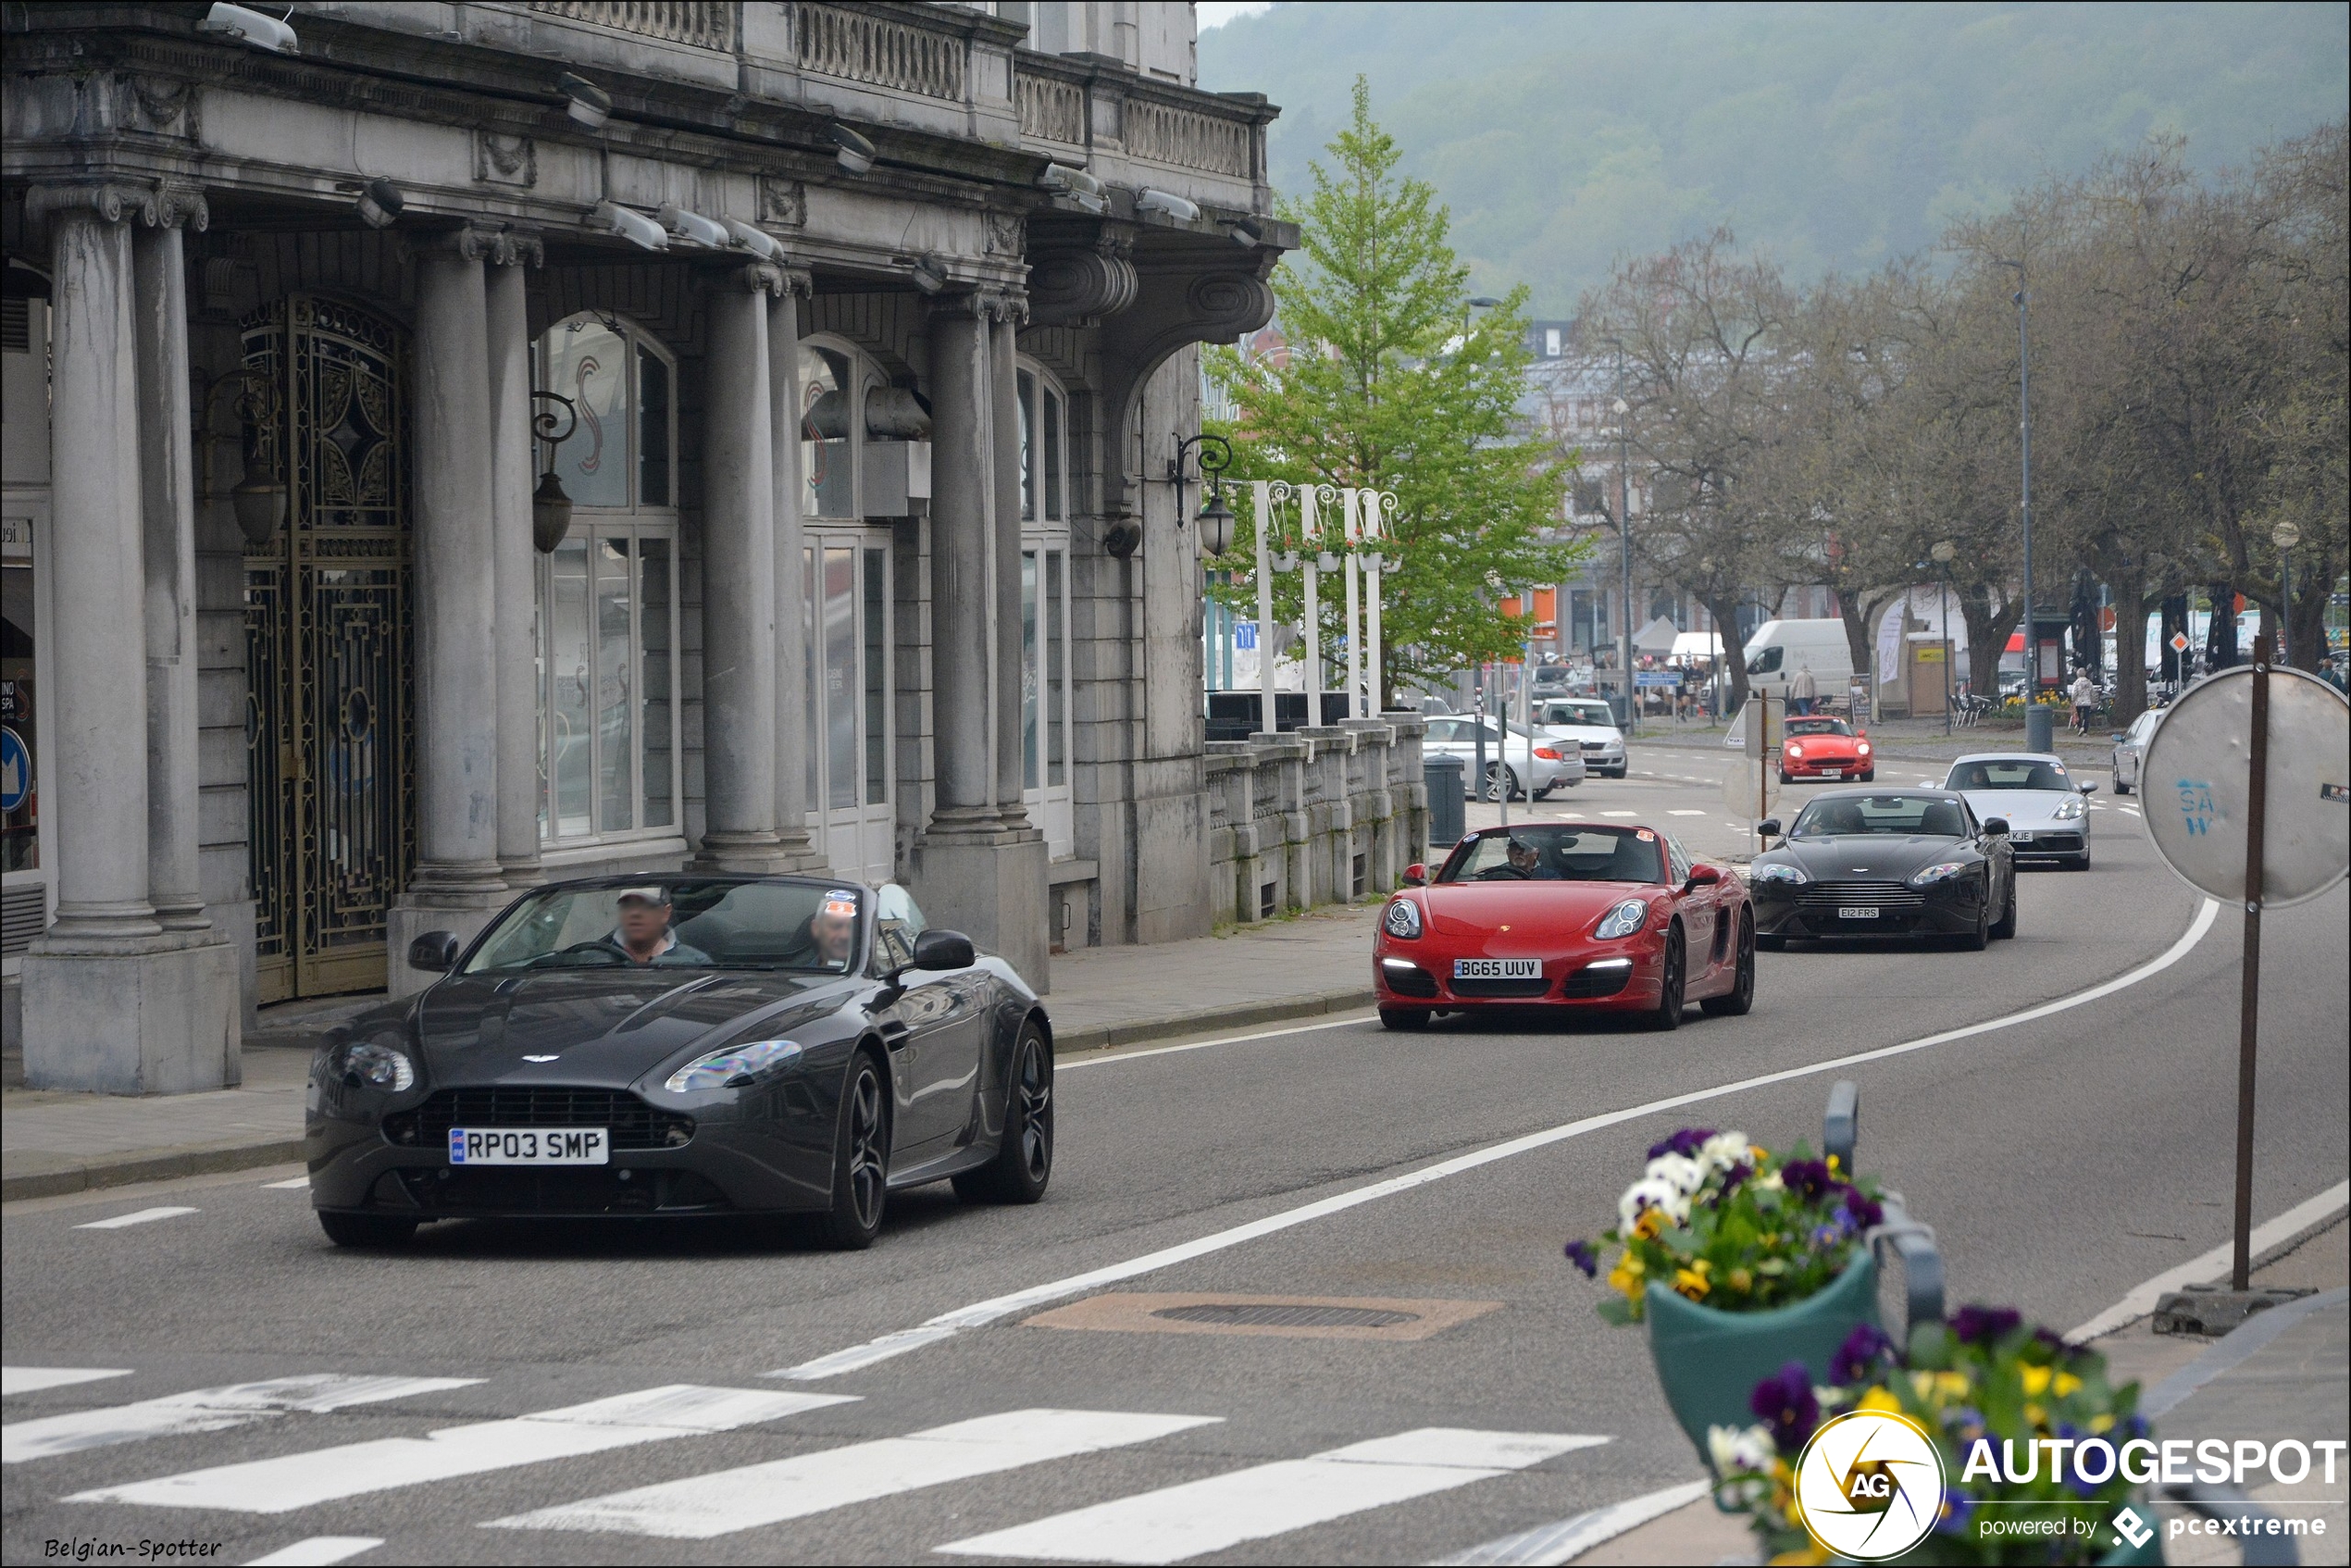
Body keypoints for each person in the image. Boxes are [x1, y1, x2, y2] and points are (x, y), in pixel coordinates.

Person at [600, 887, 712, 966]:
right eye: (628, 906)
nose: (635, 913)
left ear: (665, 913)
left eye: (645, 906)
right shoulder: (595, 959)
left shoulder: (696, 962)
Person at [2070, 668, 2097, 735]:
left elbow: (2074, 693)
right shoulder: (2089, 682)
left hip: (2078, 702)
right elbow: (2092, 692)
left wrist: (2073, 700)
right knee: (2086, 716)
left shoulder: (2077, 683)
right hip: (2087, 702)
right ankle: (2085, 731)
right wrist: (2092, 700)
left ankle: (2080, 727)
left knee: (2077, 715)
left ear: (2078, 674)